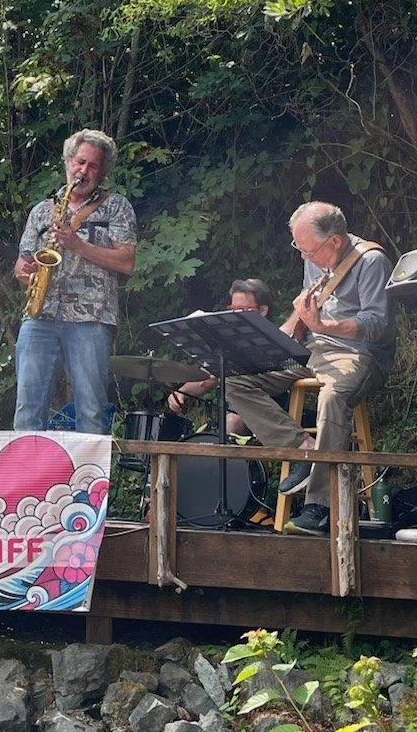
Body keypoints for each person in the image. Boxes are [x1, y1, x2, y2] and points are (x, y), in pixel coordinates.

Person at [225, 202, 394, 535]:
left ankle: (320, 507)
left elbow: (378, 324)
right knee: (236, 378)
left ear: (335, 241)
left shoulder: (372, 261)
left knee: (332, 397)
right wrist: (282, 338)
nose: (304, 256)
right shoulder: (313, 258)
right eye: (298, 248)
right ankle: (304, 451)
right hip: (313, 350)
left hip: (359, 354)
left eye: (309, 250)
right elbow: (308, 312)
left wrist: (324, 325)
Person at [13, 129, 138, 436]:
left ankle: (89, 470)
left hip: (90, 319)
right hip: (40, 316)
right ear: (68, 162)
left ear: (102, 172)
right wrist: (26, 273)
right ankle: (27, 468)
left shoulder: (116, 206)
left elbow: (127, 262)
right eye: (80, 162)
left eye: (93, 166)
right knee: (27, 408)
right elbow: (21, 263)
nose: (83, 171)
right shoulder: (41, 211)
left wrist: (78, 245)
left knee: (91, 411)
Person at [167, 279, 273, 435]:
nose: (235, 315)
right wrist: (180, 393)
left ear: (262, 310)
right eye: (232, 309)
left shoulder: (274, 342)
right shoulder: (230, 342)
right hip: (233, 414)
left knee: (231, 422)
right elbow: (208, 378)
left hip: (267, 413)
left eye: (242, 309)